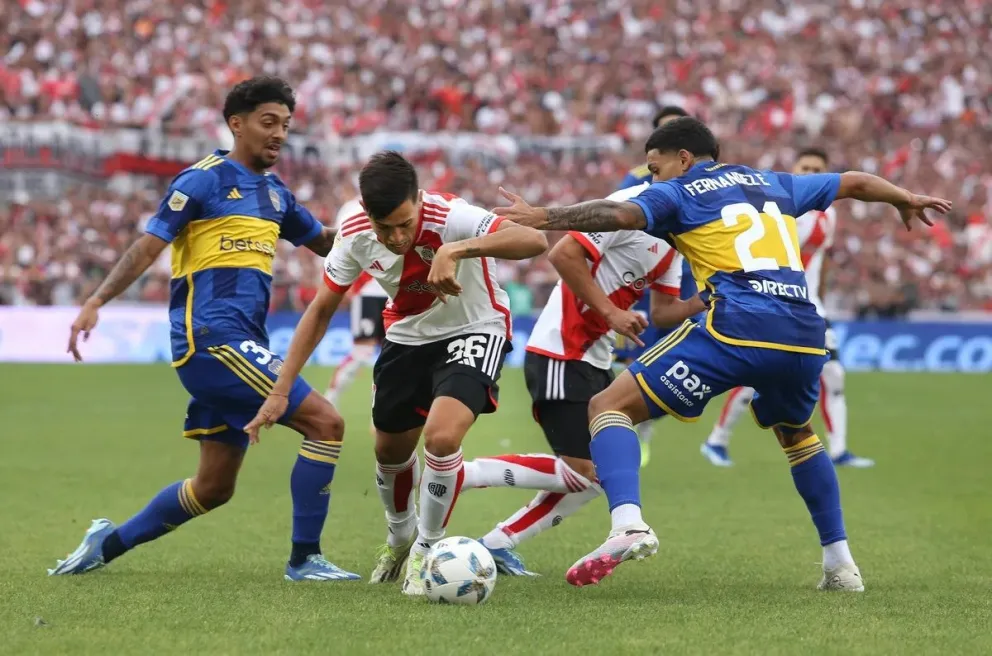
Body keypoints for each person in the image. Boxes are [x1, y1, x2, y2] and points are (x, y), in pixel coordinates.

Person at [495, 117, 951, 591]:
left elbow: (620, 215)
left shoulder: (680, 191)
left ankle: (627, 524)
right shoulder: (773, 181)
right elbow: (854, 182)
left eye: (656, 168)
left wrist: (545, 217)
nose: (652, 179)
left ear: (684, 159)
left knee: (608, 406)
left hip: (740, 325)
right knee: (797, 435)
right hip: (804, 332)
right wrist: (904, 197)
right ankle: (840, 565)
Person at [49, 76, 360, 582]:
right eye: (268, 122)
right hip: (214, 341)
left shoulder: (277, 195)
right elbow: (148, 247)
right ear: (236, 123)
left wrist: (378, 231)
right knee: (326, 423)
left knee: (213, 488)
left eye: (285, 124)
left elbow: (325, 243)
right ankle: (306, 559)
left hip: (241, 346)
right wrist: (97, 299)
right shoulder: (202, 180)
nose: (279, 133)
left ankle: (105, 544)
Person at [244, 151, 547, 597]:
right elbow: (321, 310)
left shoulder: (452, 216)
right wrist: (280, 389)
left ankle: (428, 546)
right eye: (386, 228)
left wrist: (457, 248)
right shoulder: (353, 235)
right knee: (388, 449)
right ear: (367, 213)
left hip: (475, 327)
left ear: (419, 200)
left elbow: (534, 242)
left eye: (406, 223)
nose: (398, 236)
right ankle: (400, 536)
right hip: (406, 337)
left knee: (443, 437)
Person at [463, 181, 704, 572]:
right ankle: (465, 477)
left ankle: (495, 542)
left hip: (594, 359)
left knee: (596, 472)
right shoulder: (629, 207)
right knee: (594, 472)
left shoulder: (672, 241)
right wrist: (612, 313)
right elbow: (564, 253)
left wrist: (706, 298)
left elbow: (663, 311)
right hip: (562, 350)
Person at [702, 148, 874, 468]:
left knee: (834, 374)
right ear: (793, 169)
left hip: (811, 309)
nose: (810, 172)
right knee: (758, 377)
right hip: (775, 304)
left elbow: (819, 262)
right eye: (804, 166)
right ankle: (717, 440)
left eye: (817, 168)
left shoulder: (828, 214)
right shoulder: (776, 209)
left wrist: (819, 299)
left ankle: (839, 450)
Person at [615, 105, 695, 467]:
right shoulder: (636, 179)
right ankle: (622, 426)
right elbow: (620, 223)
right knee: (632, 359)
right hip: (644, 282)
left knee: (676, 366)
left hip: (686, 282)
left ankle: (642, 423)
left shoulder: (703, 178)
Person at [324, 196, 389, 408]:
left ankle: (382, 411)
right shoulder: (351, 208)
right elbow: (339, 246)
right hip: (367, 290)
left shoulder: (398, 200)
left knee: (394, 356)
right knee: (362, 352)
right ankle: (329, 401)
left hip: (396, 291)